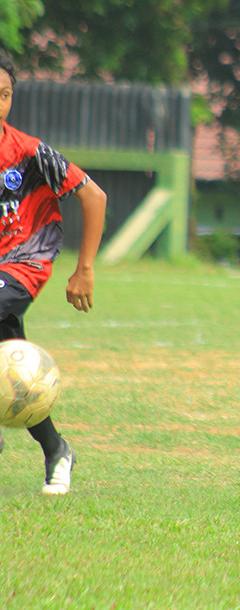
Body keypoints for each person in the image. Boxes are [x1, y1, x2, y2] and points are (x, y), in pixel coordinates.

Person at [0, 51, 107, 494]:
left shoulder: (26, 152)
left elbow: (94, 196)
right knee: (12, 365)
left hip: (26, 259)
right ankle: (57, 450)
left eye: (4, 94)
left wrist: (84, 270)